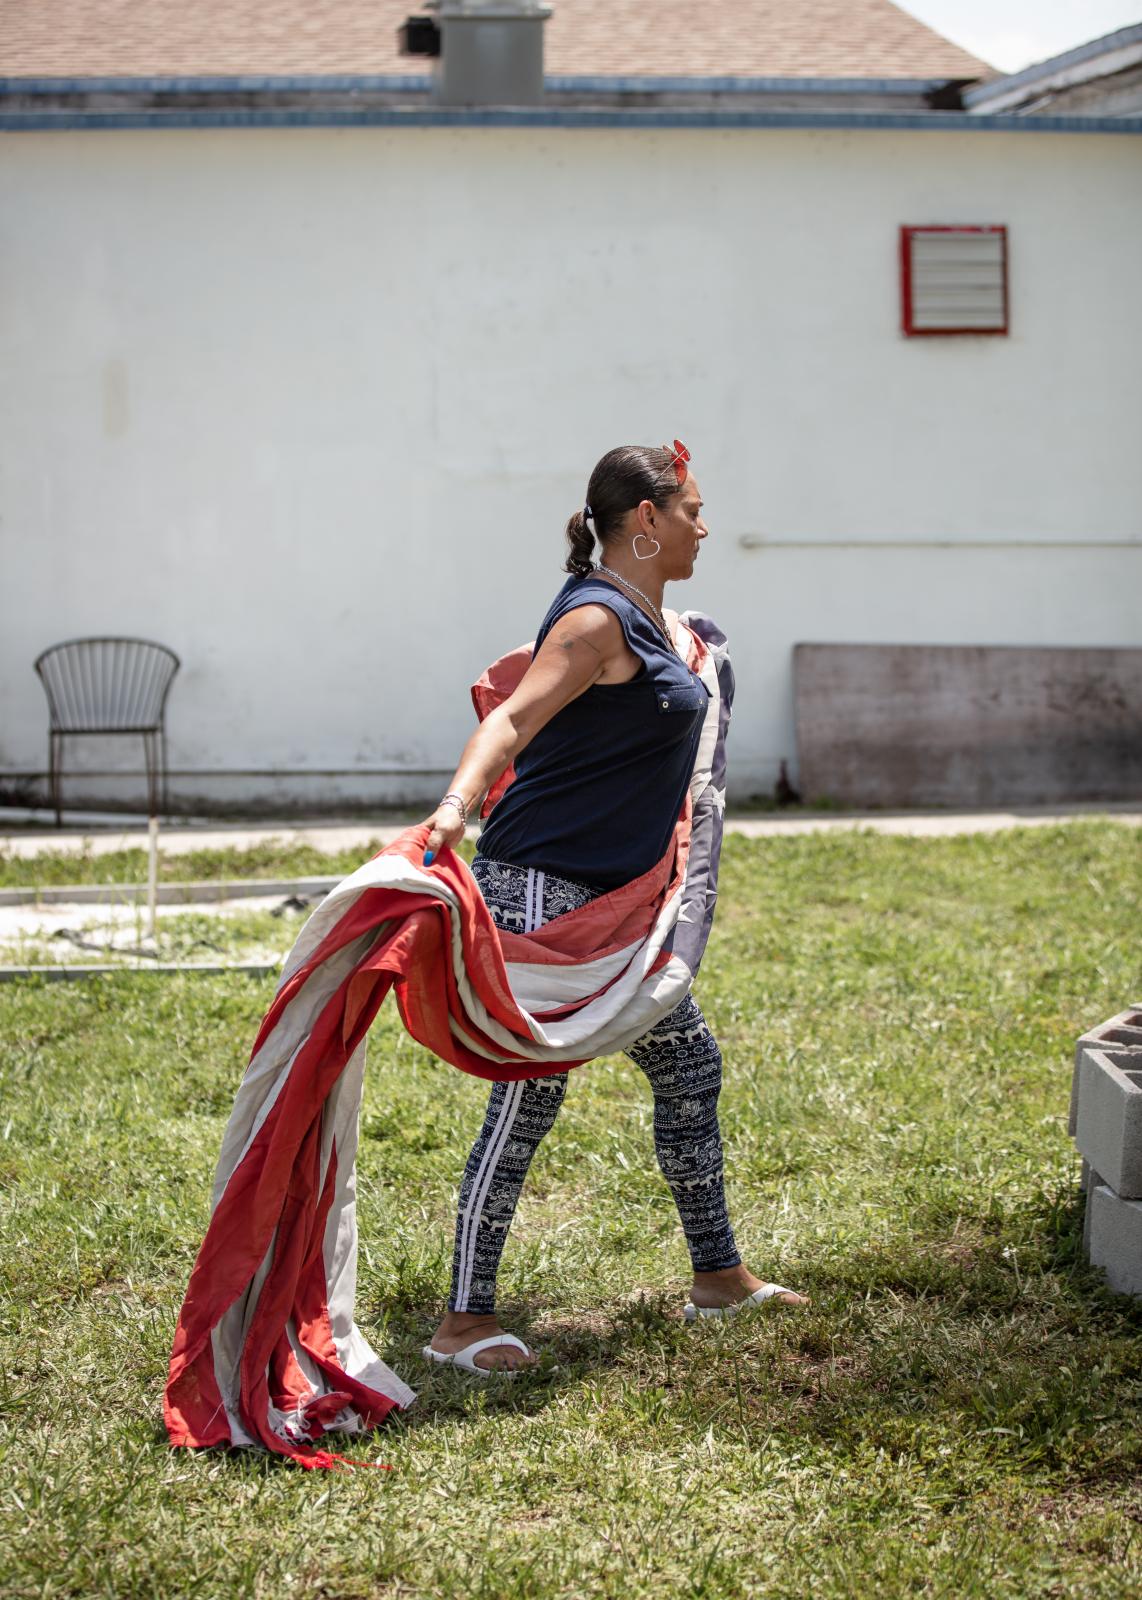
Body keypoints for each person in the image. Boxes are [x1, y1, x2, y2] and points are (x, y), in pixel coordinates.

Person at [419, 442, 808, 1374]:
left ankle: (717, 1278)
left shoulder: (658, 621)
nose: (704, 527)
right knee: (528, 1096)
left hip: (624, 906)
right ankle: (461, 1324)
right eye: (692, 511)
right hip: (545, 898)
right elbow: (510, 720)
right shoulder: (597, 619)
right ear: (646, 519)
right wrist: (453, 809)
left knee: (689, 1070)